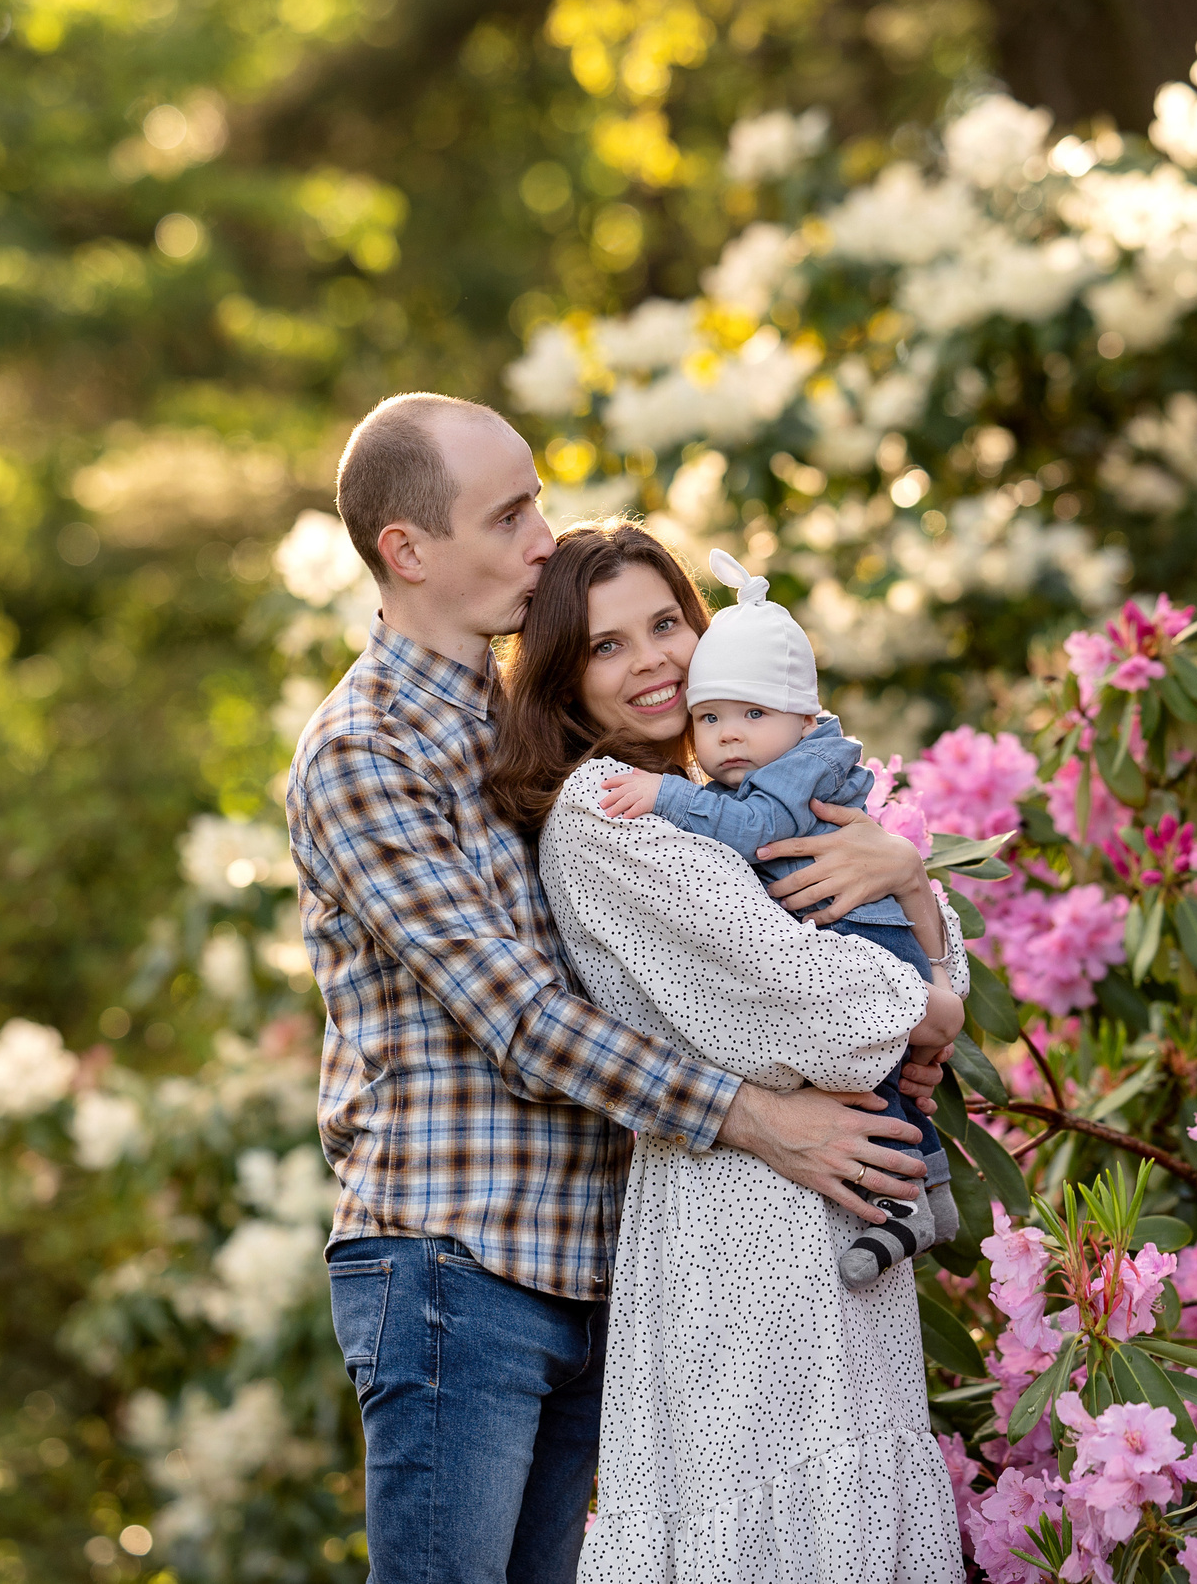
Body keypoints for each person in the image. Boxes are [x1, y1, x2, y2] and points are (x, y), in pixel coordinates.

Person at [284, 393, 947, 1584]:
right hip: (454, 1260)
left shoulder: (531, 736)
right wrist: (762, 1120)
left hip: (591, 1260)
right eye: (511, 513)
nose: (543, 535)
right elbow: (523, 1020)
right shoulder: (363, 749)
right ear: (409, 550)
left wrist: (911, 897)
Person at [483, 518, 968, 1583]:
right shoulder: (607, 817)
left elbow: (907, 969)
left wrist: (911, 881)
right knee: (766, 1516)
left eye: (666, 623)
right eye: (609, 645)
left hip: (841, 1196)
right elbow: (802, 1007)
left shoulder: (756, 790)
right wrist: (927, 1009)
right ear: (566, 684)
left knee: (851, 1503)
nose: (653, 658)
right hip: (735, 1221)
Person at [595, 547, 958, 1291]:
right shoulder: (743, 766)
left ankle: (907, 1202)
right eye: (713, 718)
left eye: (667, 622)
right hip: (870, 960)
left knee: (878, 1083)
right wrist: (933, 993)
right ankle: (935, 1186)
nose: (727, 735)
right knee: (895, 1078)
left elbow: (756, 829)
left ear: (800, 714)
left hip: (864, 943)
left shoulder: (782, 774)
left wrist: (663, 796)